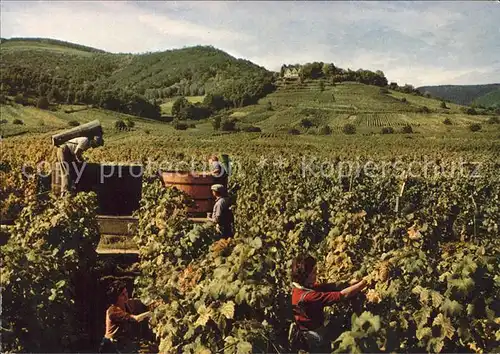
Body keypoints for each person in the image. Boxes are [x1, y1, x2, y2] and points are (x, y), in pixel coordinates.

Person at [290, 254, 368, 352]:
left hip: (311, 330)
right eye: (314, 272)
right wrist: (361, 285)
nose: (316, 274)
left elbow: (328, 287)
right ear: (306, 275)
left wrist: (351, 282)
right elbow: (342, 295)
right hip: (316, 335)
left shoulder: (299, 288)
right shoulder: (309, 297)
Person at [99, 280, 152, 353]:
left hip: (121, 342)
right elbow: (136, 319)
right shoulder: (113, 311)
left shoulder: (126, 303)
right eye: (122, 295)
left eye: (126, 292)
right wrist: (151, 313)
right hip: (110, 345)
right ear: (116, 297)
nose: (126, 296)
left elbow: (143, 303)